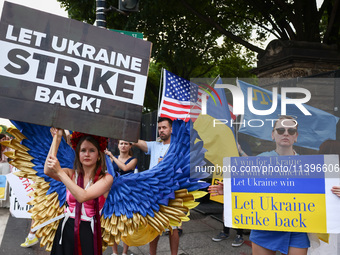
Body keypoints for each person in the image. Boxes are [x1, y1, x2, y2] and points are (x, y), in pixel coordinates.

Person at [209, 115, 310, 255]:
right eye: (280, 130)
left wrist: (334, 193)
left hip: (295, 229)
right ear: (273, 135)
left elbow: (318, 193)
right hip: (264, 226)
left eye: (291, 131)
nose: (286, 133)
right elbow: (248, 187)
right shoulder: (260, 160)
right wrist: (230, 189)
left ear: (296, 136)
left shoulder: (309, 165)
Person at [45, 128, 113, 255]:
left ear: (99, 155)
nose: (87, 154)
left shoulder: (106, 178)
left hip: (88, 231)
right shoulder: (70, 174)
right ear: (78, 154)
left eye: (91, 150)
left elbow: (83, 196)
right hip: (66, 228)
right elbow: (48, 171)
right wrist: (57, 138)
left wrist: (59, 171)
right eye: (83, 150)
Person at [133, 117, 179, 255]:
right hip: (154, 192)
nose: (161, 130)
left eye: (164, 127)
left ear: (171, 129)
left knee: (173, 227)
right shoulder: (154, 145)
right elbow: (135, 141)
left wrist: (167, 164)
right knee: (154, 226)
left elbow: (183, 169)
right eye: (159, 128)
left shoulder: (177, 147)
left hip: (171, 192)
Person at [105, 140, 137, 255]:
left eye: (126, 143)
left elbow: (124, 168)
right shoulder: (113, 158)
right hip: (113, 193)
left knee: (125, 222)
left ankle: (124, 252)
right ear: (118, 146)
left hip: (127, 194)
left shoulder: (133, 159)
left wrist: (112, 156)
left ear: (130, 146)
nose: (123, 145)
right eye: (121, 143)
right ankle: (114, 252)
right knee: (113, 221)